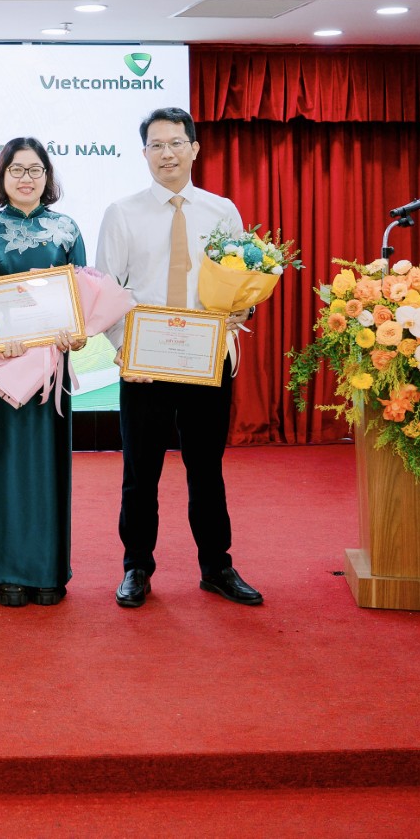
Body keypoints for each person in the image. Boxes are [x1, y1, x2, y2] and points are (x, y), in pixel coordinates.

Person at [95, 107, 263, 609]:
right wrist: (125, 349)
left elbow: (242, 278)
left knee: (206, 469)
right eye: (156, 145)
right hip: (144, 364)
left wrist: (243, 308)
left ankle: (217, 567)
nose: (166, 153)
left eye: (175, 143)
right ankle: (136, 568)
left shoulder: (221, 210)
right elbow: (107, 289)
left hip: (206, 359)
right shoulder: (121, 212)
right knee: (140, 472)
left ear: (194, 148)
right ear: (144, 153)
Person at [0, 138, 88, 608]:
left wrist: (77, 334)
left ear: (48, 177)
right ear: (2, 176)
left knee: (46, 466)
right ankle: (4, 569)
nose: (26, 178)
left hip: (51, 370)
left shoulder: (68, 229)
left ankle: (47, 569)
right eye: (16, 169)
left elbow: (83, 295)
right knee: (4, 466)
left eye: (35, 170)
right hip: (3, 370)